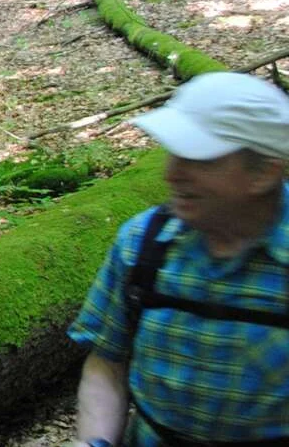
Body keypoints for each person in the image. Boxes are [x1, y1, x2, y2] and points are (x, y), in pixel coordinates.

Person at [67, 72, 289, 447]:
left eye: (199, 159)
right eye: (174, 154)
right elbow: (108, 362)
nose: (172, 174)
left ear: (264, 172)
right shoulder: (142, 243)